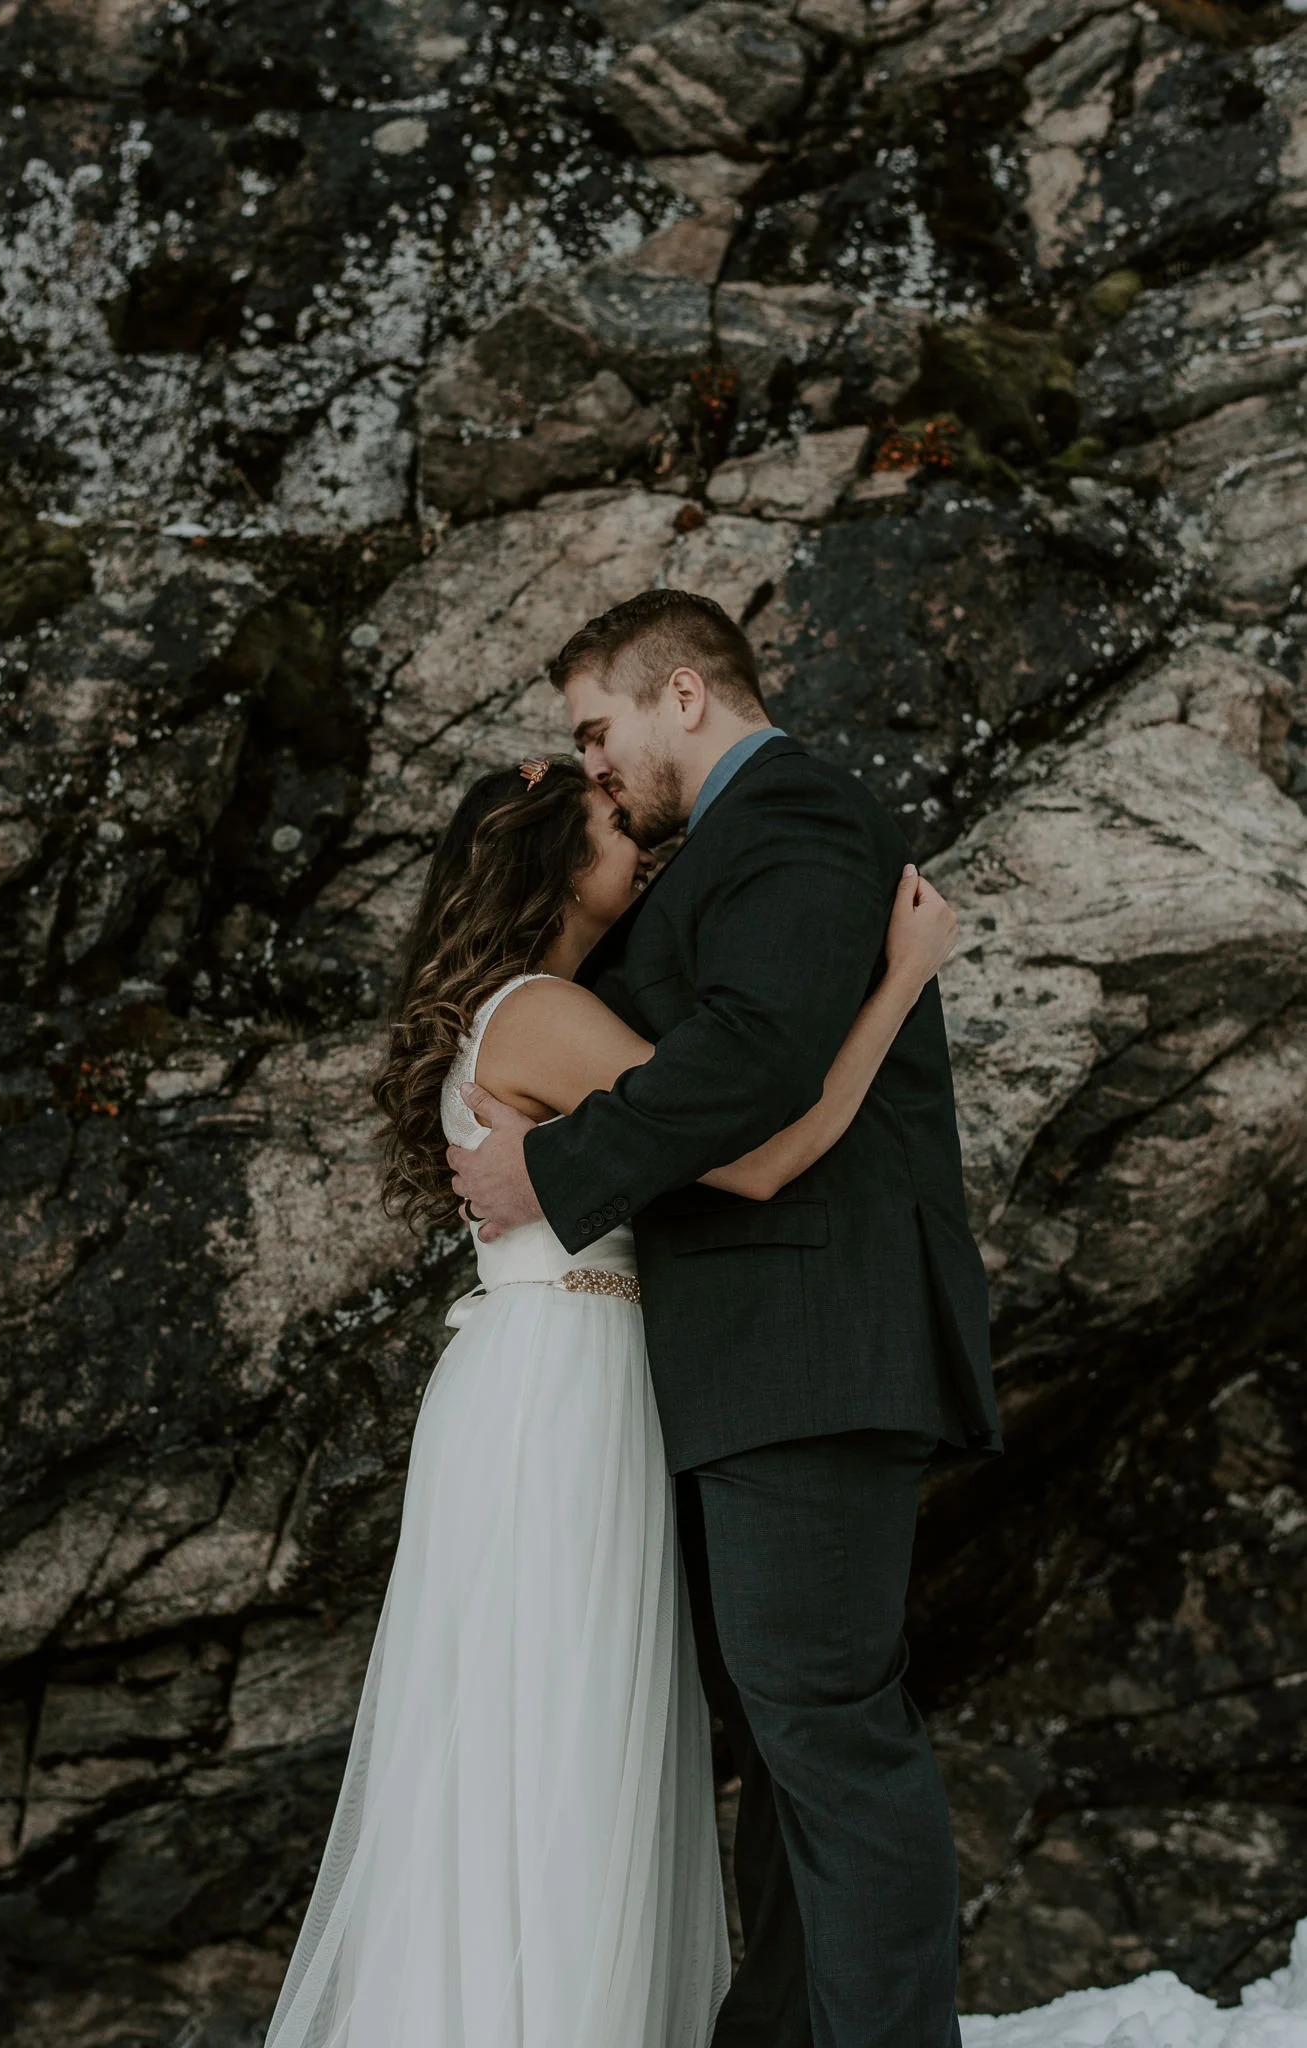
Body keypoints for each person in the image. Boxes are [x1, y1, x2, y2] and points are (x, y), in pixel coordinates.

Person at [263, 748, 962, 2048]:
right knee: (560, 1750)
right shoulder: (532, 1011)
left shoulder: (532, 1005)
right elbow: (756, 1156)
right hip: (559, 1405)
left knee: (535, 1742)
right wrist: (902, 977)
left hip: (547, 1387)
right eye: (603, 818)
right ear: (542, 859)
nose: (635, 831)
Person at [449, 590, 1002, 2048]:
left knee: (828, 1732)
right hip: (744, 1363)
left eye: (597, 730)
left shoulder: (801, 817)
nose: (593, 766)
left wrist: (552, 1167)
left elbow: (754, 1057)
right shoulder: (720, 854)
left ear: (681, 694)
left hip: (808, 1348)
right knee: (783, 1745)